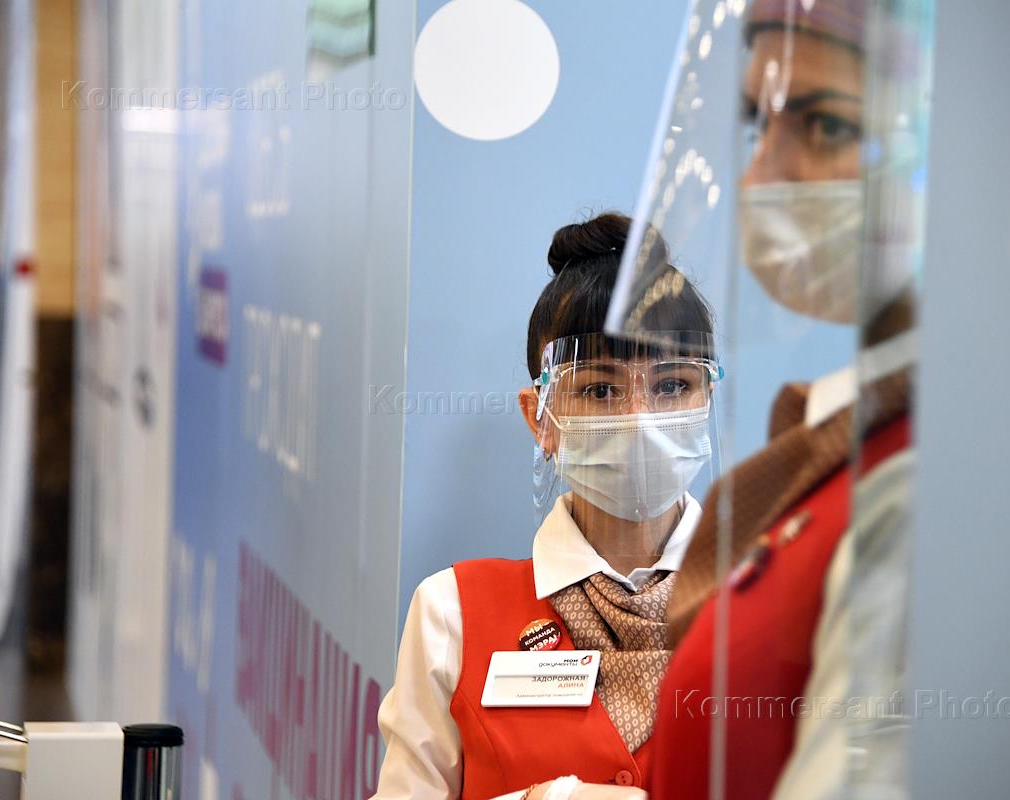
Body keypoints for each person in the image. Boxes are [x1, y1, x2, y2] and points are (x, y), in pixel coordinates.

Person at [631, 1, 925, 797]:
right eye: (758, 123)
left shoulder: (924, 477)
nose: (760, 176)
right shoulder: (840, 437)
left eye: (827, 125)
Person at [373, 213, 723, 800]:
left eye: (671, 385)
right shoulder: (452, 615)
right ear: (540, 418)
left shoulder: (774, 597)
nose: (639, 417)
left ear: (707, 398)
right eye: (600, 389)